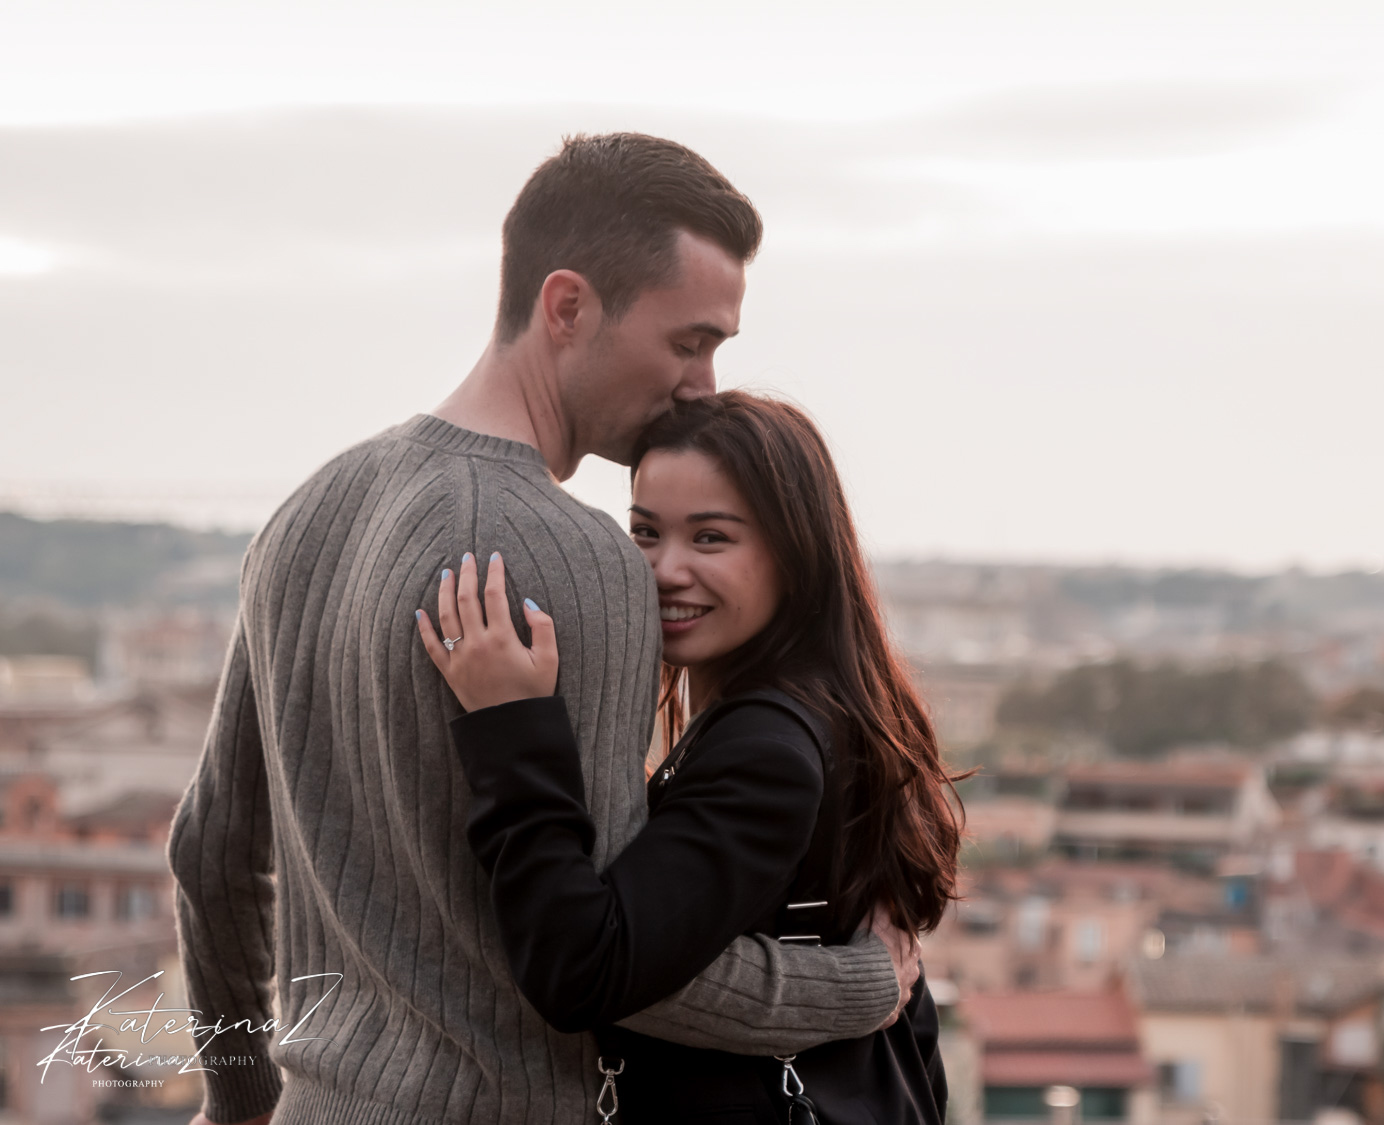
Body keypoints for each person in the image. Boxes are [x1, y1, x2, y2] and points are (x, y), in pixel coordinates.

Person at [166, 134, 919, 1125]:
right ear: (567, 307)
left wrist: (237, 1099)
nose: (700, 384)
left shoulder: (309, 513)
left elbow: (211, 850)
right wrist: (866, 987)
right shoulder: (581, 559)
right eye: (688, 341)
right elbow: (615, 963)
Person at [419, 391, 965, 1123]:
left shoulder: (766, 746)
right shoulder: (829, 712)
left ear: (795, 550)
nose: (665, 568)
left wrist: (512, 726)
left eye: (710, 537)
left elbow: (579, 969)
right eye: (645, 532)